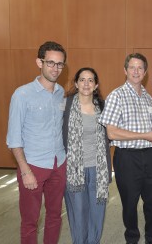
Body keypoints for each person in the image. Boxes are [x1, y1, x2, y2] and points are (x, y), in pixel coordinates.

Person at [6, 41, 67, 243]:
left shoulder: (61, 94)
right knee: (30, 221)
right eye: (50, 63)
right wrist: (25, 171)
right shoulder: (22, 95)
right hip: (33, 166)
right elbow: (14, 138)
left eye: (60, 64)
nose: (55, 68)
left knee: (54, 216)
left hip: (58, 164)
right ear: (39, 62)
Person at [99, 53, 152, 244]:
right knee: (130, 202)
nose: (136, 71)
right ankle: (132, 238)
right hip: (127, 158)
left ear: (145, 72)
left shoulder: (148, 98)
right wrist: (145, 136)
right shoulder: (116, 96)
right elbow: (112, 133)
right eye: (132, 67)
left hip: (151, 156)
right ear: (125, 70)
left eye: (140, 68)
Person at [62, 67, 112, 244]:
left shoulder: (104, 106)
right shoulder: (65, 105)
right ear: (76, 83)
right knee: (78, 212)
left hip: (98, 170)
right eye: (82, 79)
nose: (86, 84)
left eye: (90, 80)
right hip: (74, 170)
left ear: (96, 84)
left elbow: (113, 134)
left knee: (97, 212)